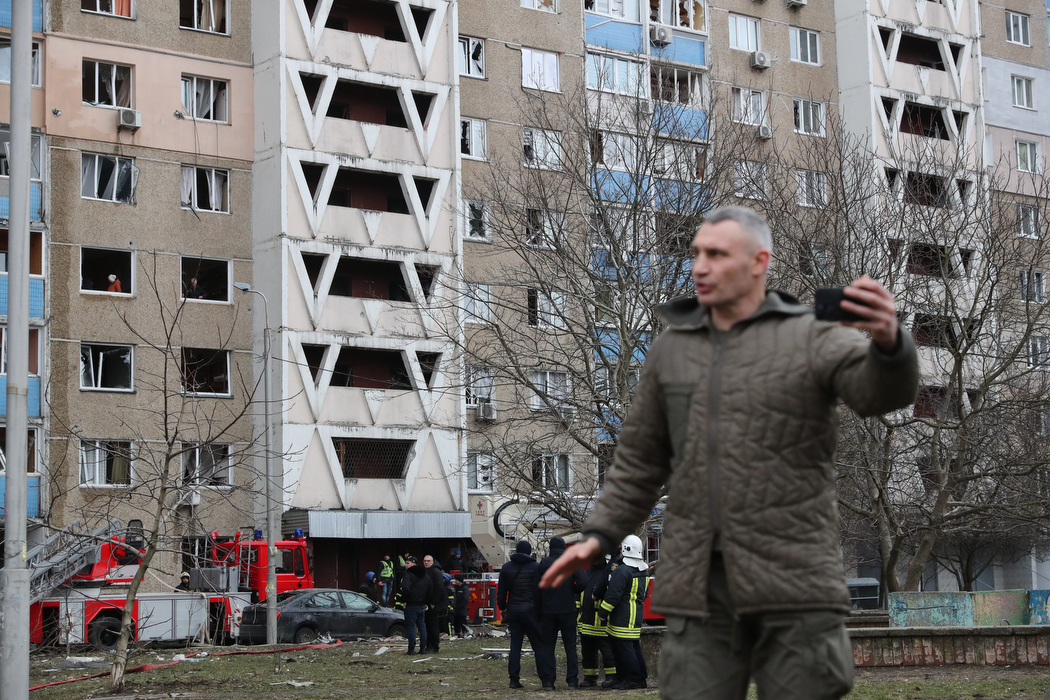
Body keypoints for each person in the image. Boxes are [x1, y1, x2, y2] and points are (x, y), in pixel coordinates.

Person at [540, 206, 919, 700]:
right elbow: (639, 460)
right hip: (700, 584)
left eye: (716, 255)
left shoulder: (812, 336)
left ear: (758, 262)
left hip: (794, 577)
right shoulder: (673, 349)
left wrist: (889, 343)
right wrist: (600, 535)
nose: (700, 266)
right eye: (697, 253)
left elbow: (878, 394)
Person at [497, 540, 554, 690]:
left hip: (514, 611)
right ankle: (546, 681)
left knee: (515, 646)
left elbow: (501, 591)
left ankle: (514, 679)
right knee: (539, 646)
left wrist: (502, 608)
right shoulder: (536, 567)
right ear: (529, 552)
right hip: (532, 611)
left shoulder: (506, 568)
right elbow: (542, 590)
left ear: (516, 550)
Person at [598, 536, 649, 690]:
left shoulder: (622, 571)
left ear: (625, 550)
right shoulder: (643, 571)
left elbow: (612, 596)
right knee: (632, 647)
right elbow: (644, 594)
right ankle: (632, 678)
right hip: (635, 616)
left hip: (622, 617)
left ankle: (633, 679)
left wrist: (603, 612)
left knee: (624, 650)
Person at [536, 537, 579, 689]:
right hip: (568, 609)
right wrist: (571, 590)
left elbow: (536, 588)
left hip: (548, 610)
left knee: (548, 647)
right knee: (570, 646)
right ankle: (572, 681)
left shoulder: (544, 564)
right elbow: (583, 582)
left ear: (551, 548)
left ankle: (549, 681)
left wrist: (538, 609)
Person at [576, 555, 617, 688]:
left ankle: (611, 676)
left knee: (608, 652)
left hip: (602, 621)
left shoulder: (608, 574)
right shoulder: (585, 573)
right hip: (586, 621)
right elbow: (578, 595)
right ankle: (590, 677)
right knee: (587, 652)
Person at [401, 556, 430, 655]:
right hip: (422, 605)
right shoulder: (425, 575)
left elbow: (405, 588)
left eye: (408, 563)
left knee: (411, 627)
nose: (405, 565)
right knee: (422, 627)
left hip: (411, 604)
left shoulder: (408, 575)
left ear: (413, 564)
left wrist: (405, 600)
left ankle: (411, 649)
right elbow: (430, 588)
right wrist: (426, 600)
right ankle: (423, 648)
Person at [422, 555, 446, 653]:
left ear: (432, 562)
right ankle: (428, 644)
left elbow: (439, 587)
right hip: (427, 602)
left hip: (434, 603)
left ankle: (434, 646)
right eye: (424, 561)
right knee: (427, 624)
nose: (426, 562)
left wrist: (433, 602)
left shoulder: (435, 571)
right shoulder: (426, 571)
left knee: (433, 624)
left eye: (428, 561)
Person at [452, 574, 471, 638]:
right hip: (456, 609)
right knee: (456, 621)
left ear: (460, 580)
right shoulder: (456, 588)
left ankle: (465, 632)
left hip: (462, 609)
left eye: (456, 580)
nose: (455, 581)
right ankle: (457, 633)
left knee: (463, 621)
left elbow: (465, 599)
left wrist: (459, 606)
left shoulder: (465, 589)